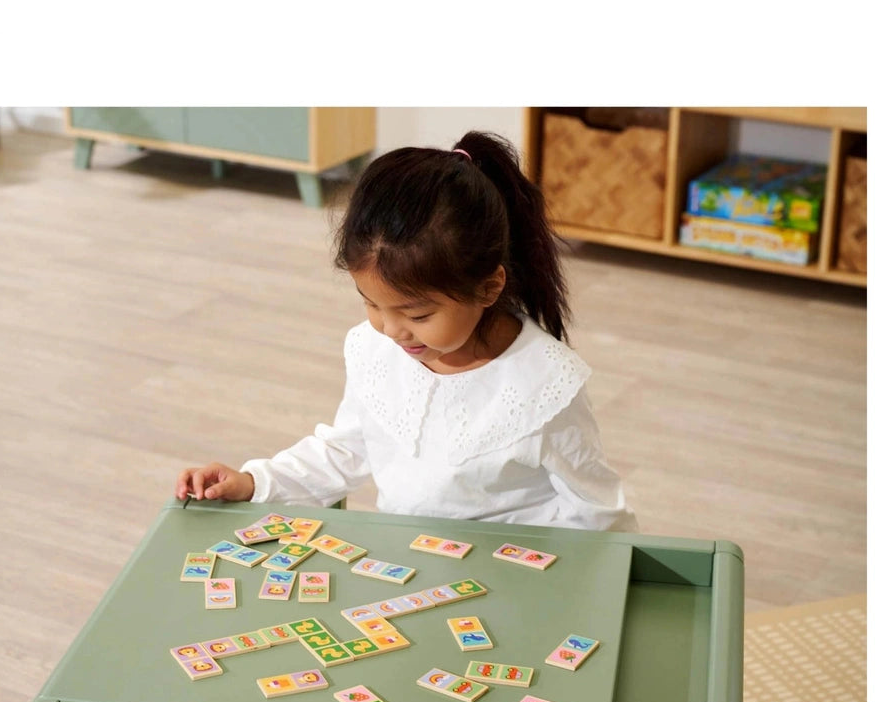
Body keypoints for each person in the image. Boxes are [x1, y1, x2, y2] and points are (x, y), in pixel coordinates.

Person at [175, 131, 637, 532]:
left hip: (513, 582)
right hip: (412, 571)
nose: (392, 329)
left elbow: (598, 513)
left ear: (489, 286)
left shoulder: (546, 385)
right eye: (371, 303)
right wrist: (255, 482)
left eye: (417, 315)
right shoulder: (376, 350)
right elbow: (346, 449)